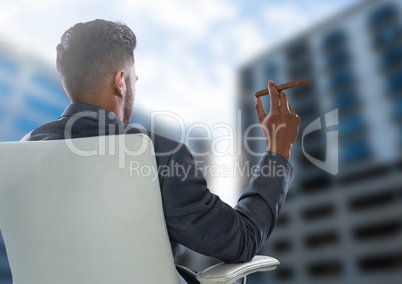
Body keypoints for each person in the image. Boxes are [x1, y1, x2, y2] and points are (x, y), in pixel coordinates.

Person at [22, 19, 301, 283]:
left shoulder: (23, 152)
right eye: (134, 79)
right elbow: (242, 240)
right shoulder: (155, 154)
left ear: (65, 86)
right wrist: (278, 153)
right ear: (121, 81)